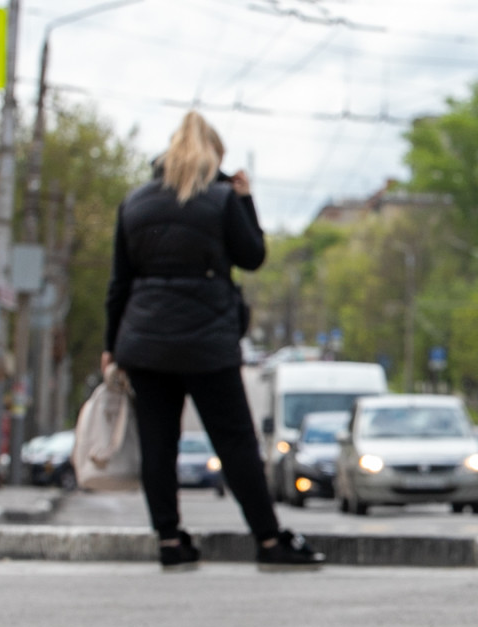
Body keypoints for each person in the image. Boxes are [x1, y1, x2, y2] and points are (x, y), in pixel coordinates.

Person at [103, 111, 323, 572]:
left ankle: (169, 541)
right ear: (214, 157)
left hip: (144, 340)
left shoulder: (135, 203)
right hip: (206, 341)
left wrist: (111, 345)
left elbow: (119, 284)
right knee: (236, 441)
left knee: (158, 445)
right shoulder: (221, 200)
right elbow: (253, 256)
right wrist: (245, 200)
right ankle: (267, 540)